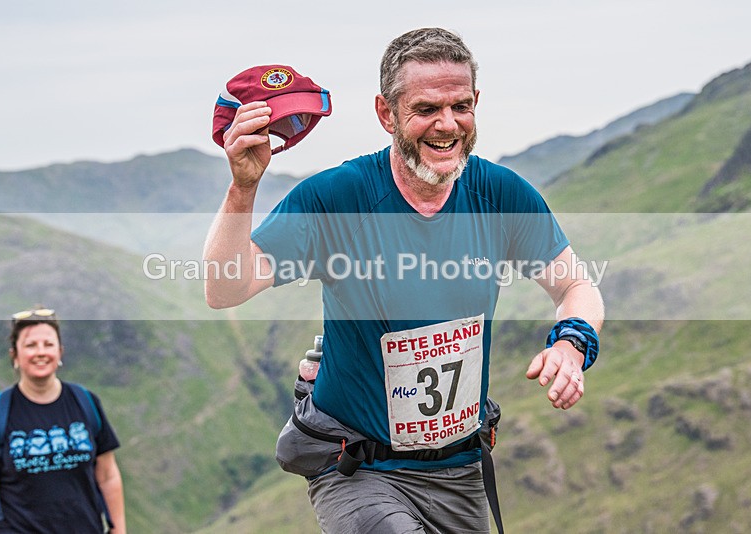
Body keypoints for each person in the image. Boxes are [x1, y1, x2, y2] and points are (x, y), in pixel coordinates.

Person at [203, 27, 604, 533]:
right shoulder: (338, 197)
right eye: (426, 109)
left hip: (461, 469)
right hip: (361, 468)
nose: (447, 124)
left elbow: (576, 287)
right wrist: (243, 186)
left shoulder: (500, 194)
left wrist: (573, 342)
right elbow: (225, 289)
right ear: (386, 113)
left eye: (461, 106)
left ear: (476, 102)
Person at [0, 307, 126, 534]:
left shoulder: (85, 402)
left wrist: (119, 530)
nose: (40, 352)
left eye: (48, 344)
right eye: (30, 345)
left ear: (60, 351)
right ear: (14, 355)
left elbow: (107, 475)